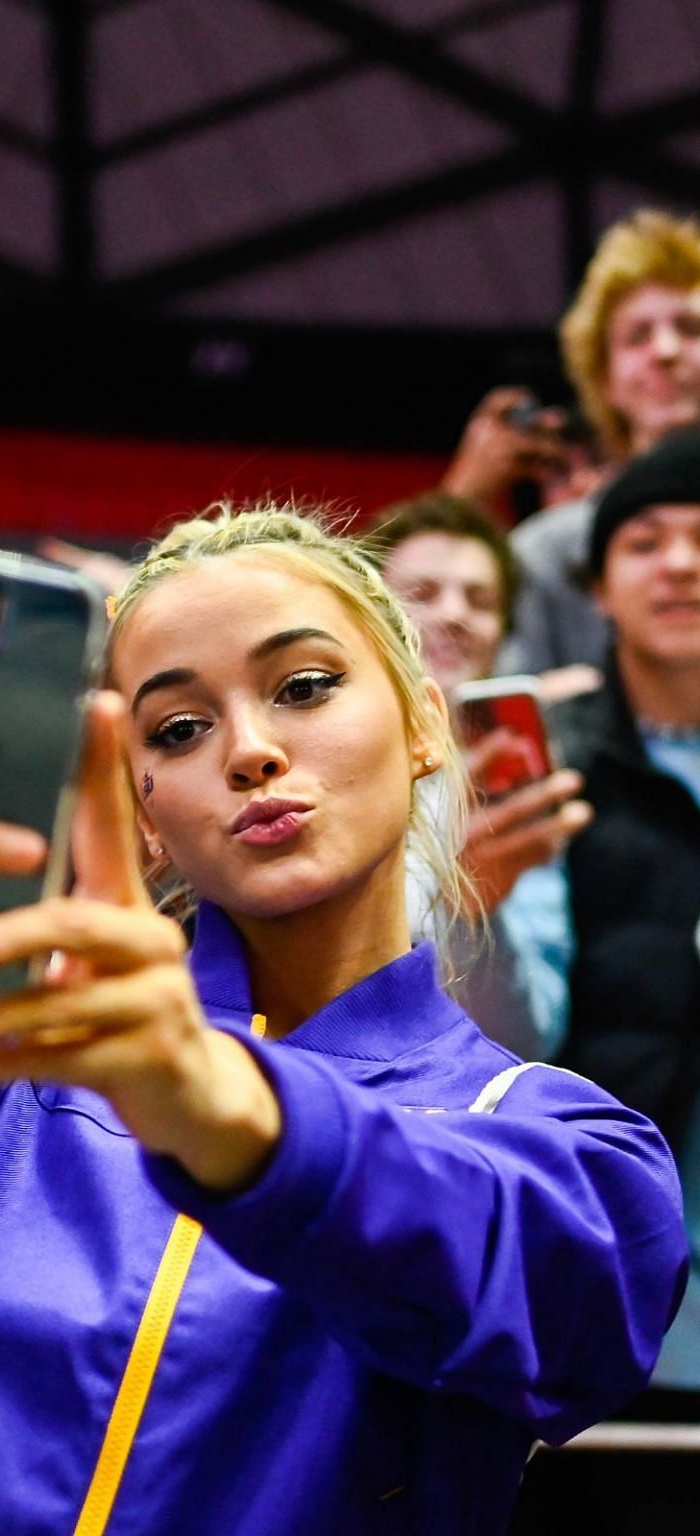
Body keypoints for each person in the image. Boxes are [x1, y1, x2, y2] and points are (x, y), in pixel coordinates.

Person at [0, 506, 687, 1534]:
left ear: (426, 722)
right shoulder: (0, 1053)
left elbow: (581, 1325)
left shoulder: (558, 1139)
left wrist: (233, 1111)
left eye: (304, 687)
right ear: (145, 813)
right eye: (177, 729)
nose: (251, 751)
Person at [545, 429, 700, 1405]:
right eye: (644, 542)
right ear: (599, 588)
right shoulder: (548, 761)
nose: (682, 564)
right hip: (599, 1225)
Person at [365, 494, 591, 1060]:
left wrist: (473, 911)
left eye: (480, 599)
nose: (454, 614)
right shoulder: (301, 758)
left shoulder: (516, 790)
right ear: (367, 613)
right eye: (422, 593)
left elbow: (529, 1037)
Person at [501, 210, 700, 674]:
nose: (666, 351)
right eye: (637, 336)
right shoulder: (544, 556)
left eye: (690, 329)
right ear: (604, 378)